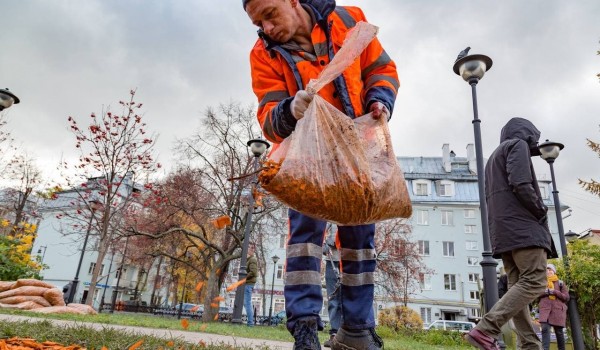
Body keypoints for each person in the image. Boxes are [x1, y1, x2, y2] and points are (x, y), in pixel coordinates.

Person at [243, 0, 399, 348]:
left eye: (270, 14)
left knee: (360, 242)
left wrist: (380, 100)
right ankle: (304, 329)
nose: (266, 28)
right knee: (304, 240)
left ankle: (357, 330)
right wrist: (288, 109)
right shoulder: (263, 54)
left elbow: (381, 69)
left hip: (356, 153)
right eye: (258, 22)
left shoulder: (347, 18)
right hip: (307, 160)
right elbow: (268, 116)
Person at [466, 117, 558, 350]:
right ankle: (486, 329)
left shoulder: (494, 157)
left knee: (519, 287)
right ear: (527, 134)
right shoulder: (517, 146)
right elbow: (521, 183)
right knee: (535, 281)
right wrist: (540, 209)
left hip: (505, 233)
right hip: (524, 230)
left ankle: (529, 344)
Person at [538, 263, 569, 350]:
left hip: (558, 310)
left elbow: (566, 297)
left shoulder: (560, 283)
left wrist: (554, 292)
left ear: (554, 271)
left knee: (559, 332)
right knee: (545, 329)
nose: (548, 271)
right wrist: (546, 292)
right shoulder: (541, 283)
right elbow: (536, 295)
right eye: (546, 270)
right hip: (545, 310)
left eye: (550, 269)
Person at [323, 226, 341, 348]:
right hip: (332, 260)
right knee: (333, 298)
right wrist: (324, 244)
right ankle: (335, 333)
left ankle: (347, 334)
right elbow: (321, 231)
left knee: (348, 298)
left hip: (349, 259)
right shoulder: (328, 212)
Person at [244, 245, 258, 327]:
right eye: (249, 247)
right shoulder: (249, 260)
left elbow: (253, 272)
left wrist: (243, 278)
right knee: (246, 303)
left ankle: (250, 323)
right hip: (247, 284)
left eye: (250, 248)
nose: (249, 249)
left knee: (247, 303)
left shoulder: (252, 259)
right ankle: (250, 322)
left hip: (248, 284)